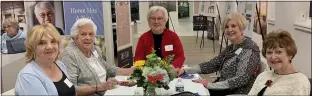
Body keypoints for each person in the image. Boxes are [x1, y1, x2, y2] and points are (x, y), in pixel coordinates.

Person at [177, 12, 261, 95]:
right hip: (222, 89)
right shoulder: (231, 48)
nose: (229, 30)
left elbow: (241, 79)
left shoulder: (249, 49)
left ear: (242, 28)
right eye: (226, 27)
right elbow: (212, 64)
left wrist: (210, 85)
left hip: (236, 92)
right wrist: (186, 70)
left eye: (233, 26)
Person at [59, 18, 133, 96]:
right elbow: (70, 89)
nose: (88, 38)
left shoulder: (94, 49)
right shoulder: (69, 55)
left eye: (91, 34)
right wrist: (99, 87)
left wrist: (130, 71)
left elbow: (109, 70)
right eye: (83, 34)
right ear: (75, 37)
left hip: (108, 92)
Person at [15, 23, 75, 95]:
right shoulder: (28, 76)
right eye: (42, 43)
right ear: (32, 48)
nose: (50, 46)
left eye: (53, 41)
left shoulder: (60, 65)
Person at [248, 29, 310, 95]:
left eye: (278, 52)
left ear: (290, 54)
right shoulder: (263, 75)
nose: (273, 57)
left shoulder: (300, 82)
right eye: (269, 52)